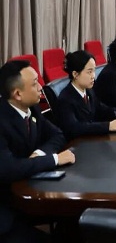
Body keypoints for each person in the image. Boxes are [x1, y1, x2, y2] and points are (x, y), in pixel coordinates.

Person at [0, 60, 75, 242]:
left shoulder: (31, 108)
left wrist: (39, 154)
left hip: (31, 189)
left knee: (75, 220)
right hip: (6, 206)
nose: (41, 87)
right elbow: (8, 169)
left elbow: (57, 134)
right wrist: (54, 159)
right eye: (34, 84)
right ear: (17, 94)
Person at [54, 51, 116, 141]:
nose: (93, 76)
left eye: (94, 71)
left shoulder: (89, 90)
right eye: (89, 72)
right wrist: (107, 126)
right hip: (77, 144)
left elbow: (100, 108)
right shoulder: (65, 98)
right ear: (75, 74)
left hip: (92, 139)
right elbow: (75, 128)